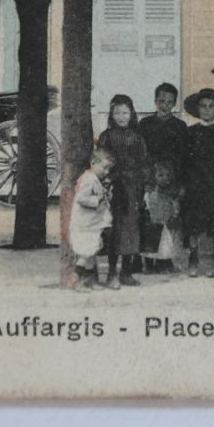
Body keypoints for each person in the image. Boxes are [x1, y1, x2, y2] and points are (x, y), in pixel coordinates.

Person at [95, 94, 148, 287]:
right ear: (111, 114)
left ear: (132, 114)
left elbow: (144, 163)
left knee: (131, 230)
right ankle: (111, 273)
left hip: (133, 188)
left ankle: (126, 272)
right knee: (114, 231)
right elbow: (100, 162)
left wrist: (144, 188)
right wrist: (106, 181)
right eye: (117, 112)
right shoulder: (106, 136)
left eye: (125, 112)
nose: (121, 116)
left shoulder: (137, 137)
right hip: (114, 188)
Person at [180, 88, 214, 278]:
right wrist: (185, 185)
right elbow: (184, 161)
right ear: (197, 109)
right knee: (194, 226)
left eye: (211, 106)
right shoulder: (190, 132)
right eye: (203, 106)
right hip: (196, 186)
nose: (207, 110)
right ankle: (193, 261)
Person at [69, 147, 116, 291]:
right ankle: (77, 281)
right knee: (85, 254)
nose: (107, 172)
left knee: (91, 254)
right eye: (105, 168)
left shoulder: (94, 178)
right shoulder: (88, 179)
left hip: (93, 225)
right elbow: (81, 198)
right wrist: (99, 198)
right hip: (85, 226)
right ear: (93, 162)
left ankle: (89, 281)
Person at [137, 81, 188, 178]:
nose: (165, 105)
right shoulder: (145, 123)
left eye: (170, 102)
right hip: (149, 175)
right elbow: (140, 152)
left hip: (172, 175)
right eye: (162, 101)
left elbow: (182, 156)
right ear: (155, 101)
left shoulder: (180, 126)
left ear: (174, 103)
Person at [141, 161, 182, 275]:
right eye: (160, 175)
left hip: (165, 223)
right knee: (151, 245)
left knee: (165, 244)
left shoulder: (170, 194)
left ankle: (163, 264)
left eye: (168, 175)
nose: (165, 178)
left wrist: (174, 211)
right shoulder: (151, 193)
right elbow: (149, 207)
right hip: (154, 224)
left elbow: (174, 208)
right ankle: (149, 265)